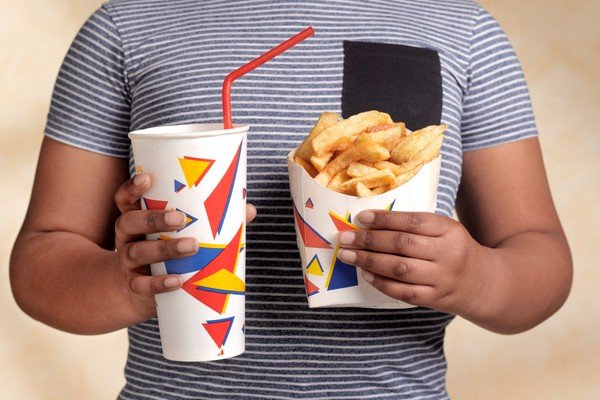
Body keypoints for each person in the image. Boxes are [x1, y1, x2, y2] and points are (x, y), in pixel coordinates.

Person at [10, 1, 572, 399]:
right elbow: (41, 261)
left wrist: (476, 277)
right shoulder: (124, 28)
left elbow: (538, 253)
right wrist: (124, 284)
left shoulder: (463, 29)